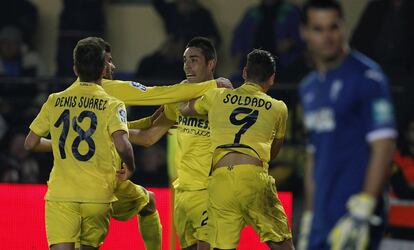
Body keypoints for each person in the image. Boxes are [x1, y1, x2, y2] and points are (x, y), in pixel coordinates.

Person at [297, 1, 397, 250]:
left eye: (333, 27)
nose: (327, 36)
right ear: (305, 33)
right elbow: (313, 159)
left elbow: (384, 146)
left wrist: (365, 206)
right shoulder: (308, 87)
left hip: (355, 218)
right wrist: (309, 217)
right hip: (321, 220)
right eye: (318, 29)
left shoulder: (367, 77)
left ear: (344, 27)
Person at [24, 37, 136, 250]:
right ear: (104, 69)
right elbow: (122, 144)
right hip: (98, 196)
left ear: (75, 68)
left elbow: (30, 143)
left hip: (62, 194)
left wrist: (62, 145)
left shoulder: (55, 99)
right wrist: (130, 167)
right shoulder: (112, 104)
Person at [179, 49, 293, 250]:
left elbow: (185, 108)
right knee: (283, 245)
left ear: (244, 73)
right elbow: (274, 151)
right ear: (272, 78)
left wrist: (203, 86)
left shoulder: (216, 96)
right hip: (252, 176)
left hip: (220, 180)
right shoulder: (278, 107)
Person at [127, 37, 227, 250]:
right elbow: (149, 137)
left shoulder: (222, 96)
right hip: (182, 195)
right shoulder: (179, 95)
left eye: (194, 60)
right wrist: (113, 130)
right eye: (184, 60)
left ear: (211, 64)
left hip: (209, 192)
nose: (187, 66)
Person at [230, 0, 303, 83]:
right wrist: (237, 53)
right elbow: (239, 37)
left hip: (283, 65)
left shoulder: (290, 12)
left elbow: (302, 36)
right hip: (255, 63)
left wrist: (290, 42)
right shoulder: (252, 13)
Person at [152, 0, 221, 48]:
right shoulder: (171, 10)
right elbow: (157, 3)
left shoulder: (203, 14)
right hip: (173, 57)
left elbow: (216, 39)